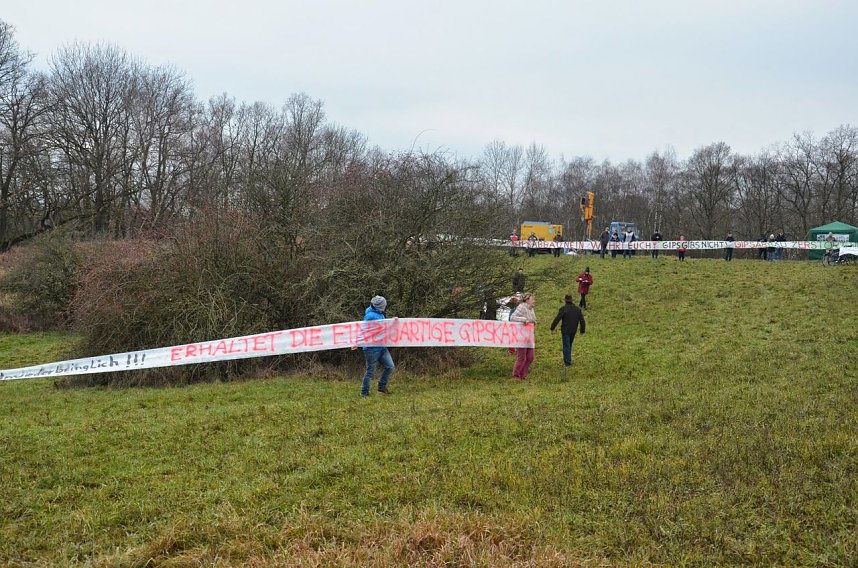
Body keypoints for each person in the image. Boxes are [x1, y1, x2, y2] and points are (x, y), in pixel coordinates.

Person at [359, 295, 394, 397]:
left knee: (390, 366)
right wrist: (357, 343)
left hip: (382, 346)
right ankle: (364, 393)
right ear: (380, 306)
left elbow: (383, 328)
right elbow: (363, 330)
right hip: (371, 349)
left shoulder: (380, 314)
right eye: (384, 305)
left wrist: (392, 321)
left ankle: (381, 387)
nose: (385, 307)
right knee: (370, 371)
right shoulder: (370, 316)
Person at [550, 294, 586, 367]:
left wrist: (552, 327)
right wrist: (582, 330)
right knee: (569, 344)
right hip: (573, 330)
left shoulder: (563, 309)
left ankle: (567, 362)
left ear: (565, 300)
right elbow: (582, 320)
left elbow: (557, 318)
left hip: (565, 330)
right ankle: (568, 359)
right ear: (572, 300)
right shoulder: (577, 309)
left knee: (566, 345)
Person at [510, 293, 537, 379]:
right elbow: (512, 317)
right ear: (527, 300)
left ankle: (523, 374)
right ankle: (516, 375)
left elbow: (533, 319)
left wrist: (534, 322)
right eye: (532, 299)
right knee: (522, 357)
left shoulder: (531, 309)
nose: (533, 300)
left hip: (530, 336)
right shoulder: (521, 307)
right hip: (521, 336)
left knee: (530, 357)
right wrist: (524, 320)